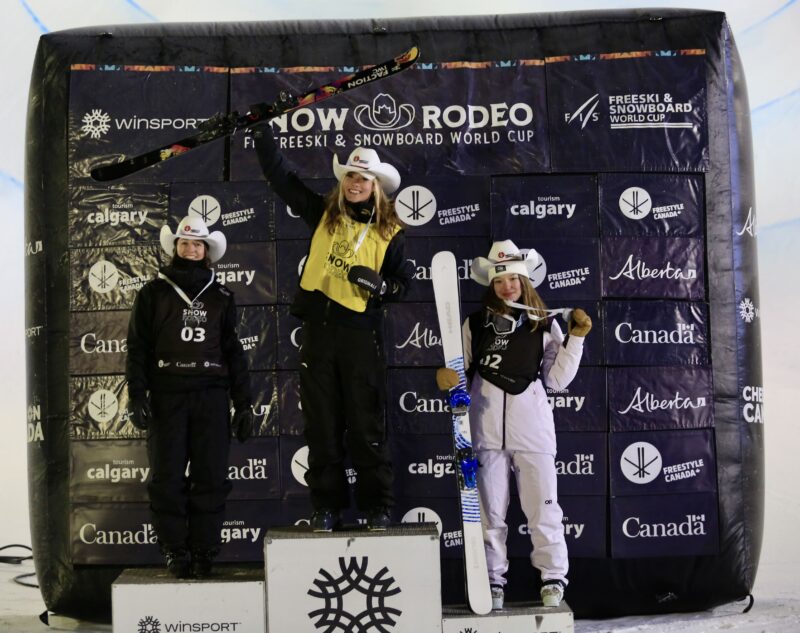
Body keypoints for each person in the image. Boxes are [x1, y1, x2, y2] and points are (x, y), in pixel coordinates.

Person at [254, 128, 413, 532]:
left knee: (365, 426)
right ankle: (326, 507)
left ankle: (377, 507)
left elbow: (404, 284)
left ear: (376, 186)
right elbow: (282, 178)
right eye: (350, 176)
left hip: (360, 336)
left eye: (363, 178)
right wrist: (264, 135)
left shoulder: (389, 231)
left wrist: (383, 287)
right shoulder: (323, 214)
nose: (355, 183)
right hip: (318, 334)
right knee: (322, 426)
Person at [436, 239, 592, 609]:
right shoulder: (475, 322)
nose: (508, 286)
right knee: (489, 516)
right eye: (500, 280)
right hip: (485, 432)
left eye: (514, 280)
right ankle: (492, 583)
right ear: (491, 284)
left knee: (544, 511)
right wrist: (444, 378)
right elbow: (460, 369)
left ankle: (553, 579)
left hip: (533, 432)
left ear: (525, 283)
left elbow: (556, 380)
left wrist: (577, 340)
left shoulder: (542, 322)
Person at [126, 216, 253, 579]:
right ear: (175, 246)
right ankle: (174, 550)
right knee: (166, 478)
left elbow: (233, 351)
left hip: (211, 395)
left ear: (207, 250)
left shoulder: (222, 295)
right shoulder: (153, 292)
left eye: (197, 244)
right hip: (167, 394)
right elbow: (138, 348)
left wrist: (243, 402)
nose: (190, 248)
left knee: (210, 478)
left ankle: (204, 551)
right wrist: (137, 394)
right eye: (185, 243)